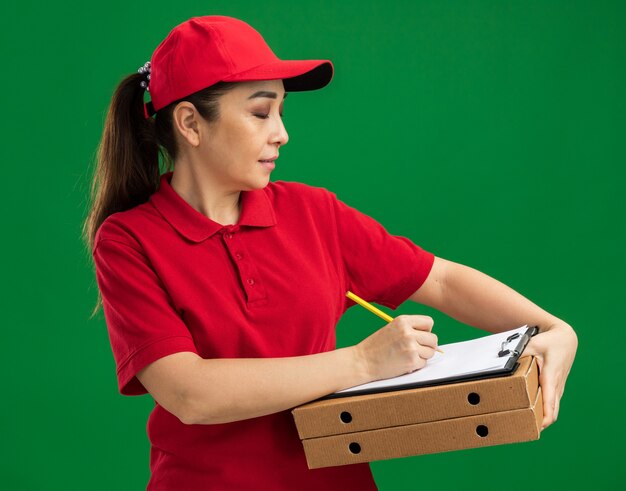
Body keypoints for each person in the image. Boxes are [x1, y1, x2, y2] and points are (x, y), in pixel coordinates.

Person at [83, 15, 578, 491]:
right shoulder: (128, 241)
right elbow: (190, 393)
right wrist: (362, 362)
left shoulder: (313, 212)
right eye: (260, 112)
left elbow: (441, 280)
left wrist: (553, 328)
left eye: (281, 112)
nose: (281, 133)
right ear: (190, 123)